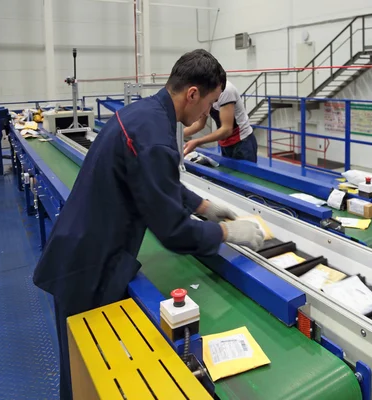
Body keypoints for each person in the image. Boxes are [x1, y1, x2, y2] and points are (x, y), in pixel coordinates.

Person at [33, 49, 265, 400]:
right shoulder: (156, 135)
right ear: (192, 94)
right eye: (210, 104)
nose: (209, 114)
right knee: (84, 377)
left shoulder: (143, 113)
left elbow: (153, 180)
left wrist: (203, 205)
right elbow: (172, 231)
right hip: (87, 267)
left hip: (84, 248)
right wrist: (228, 232)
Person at [182, 80, 258, 162]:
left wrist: (197, 142)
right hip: (224, 143)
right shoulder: (205, 91)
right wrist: (176, 134)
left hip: (242, 142)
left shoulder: (226, 90)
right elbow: (199, 124)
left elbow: (226, 129)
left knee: (243, 174)